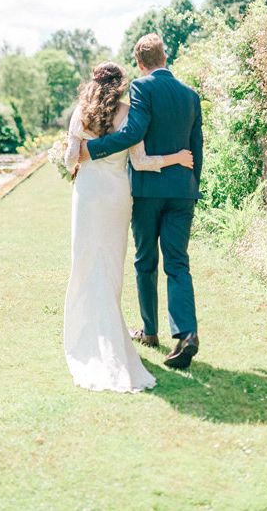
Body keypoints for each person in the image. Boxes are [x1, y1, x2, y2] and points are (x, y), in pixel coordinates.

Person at [63, 60, 194, 392]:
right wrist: (176, 158)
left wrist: (75, 164)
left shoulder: (81, 112)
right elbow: (141, 162)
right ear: (122, 85)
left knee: (85, 262)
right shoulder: (127, 115)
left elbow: (70, 159)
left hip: (89, 193)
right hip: (118, 197)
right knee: (111, 265)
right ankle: (113, 328)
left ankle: (90, 332)